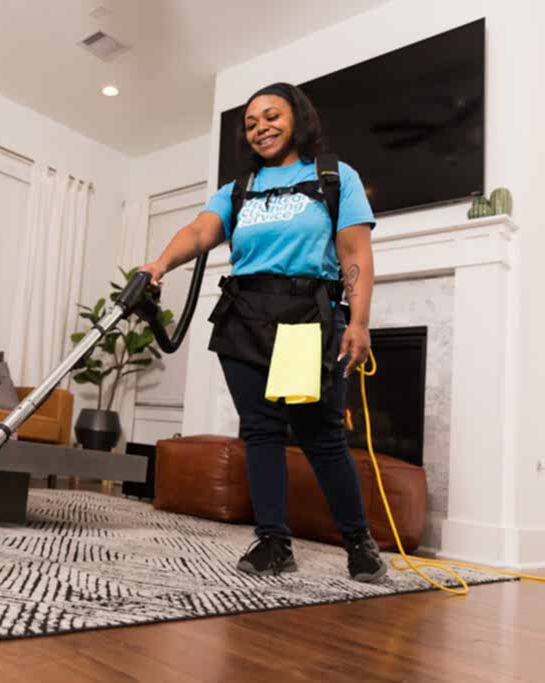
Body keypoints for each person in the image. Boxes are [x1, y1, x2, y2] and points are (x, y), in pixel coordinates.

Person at [139, 82, 386, 582]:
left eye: (271, 116)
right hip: (246, 314)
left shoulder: (332, 175)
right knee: (260, 432)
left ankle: (360, 542)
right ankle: (273, 541)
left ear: (298, 118)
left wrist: (358, 322)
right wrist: (159, 263)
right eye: (251, 124)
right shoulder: (239, 189)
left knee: (320, 435)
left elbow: (354, 252)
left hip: (303, 314)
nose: (260, 129)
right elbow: (199, 232)